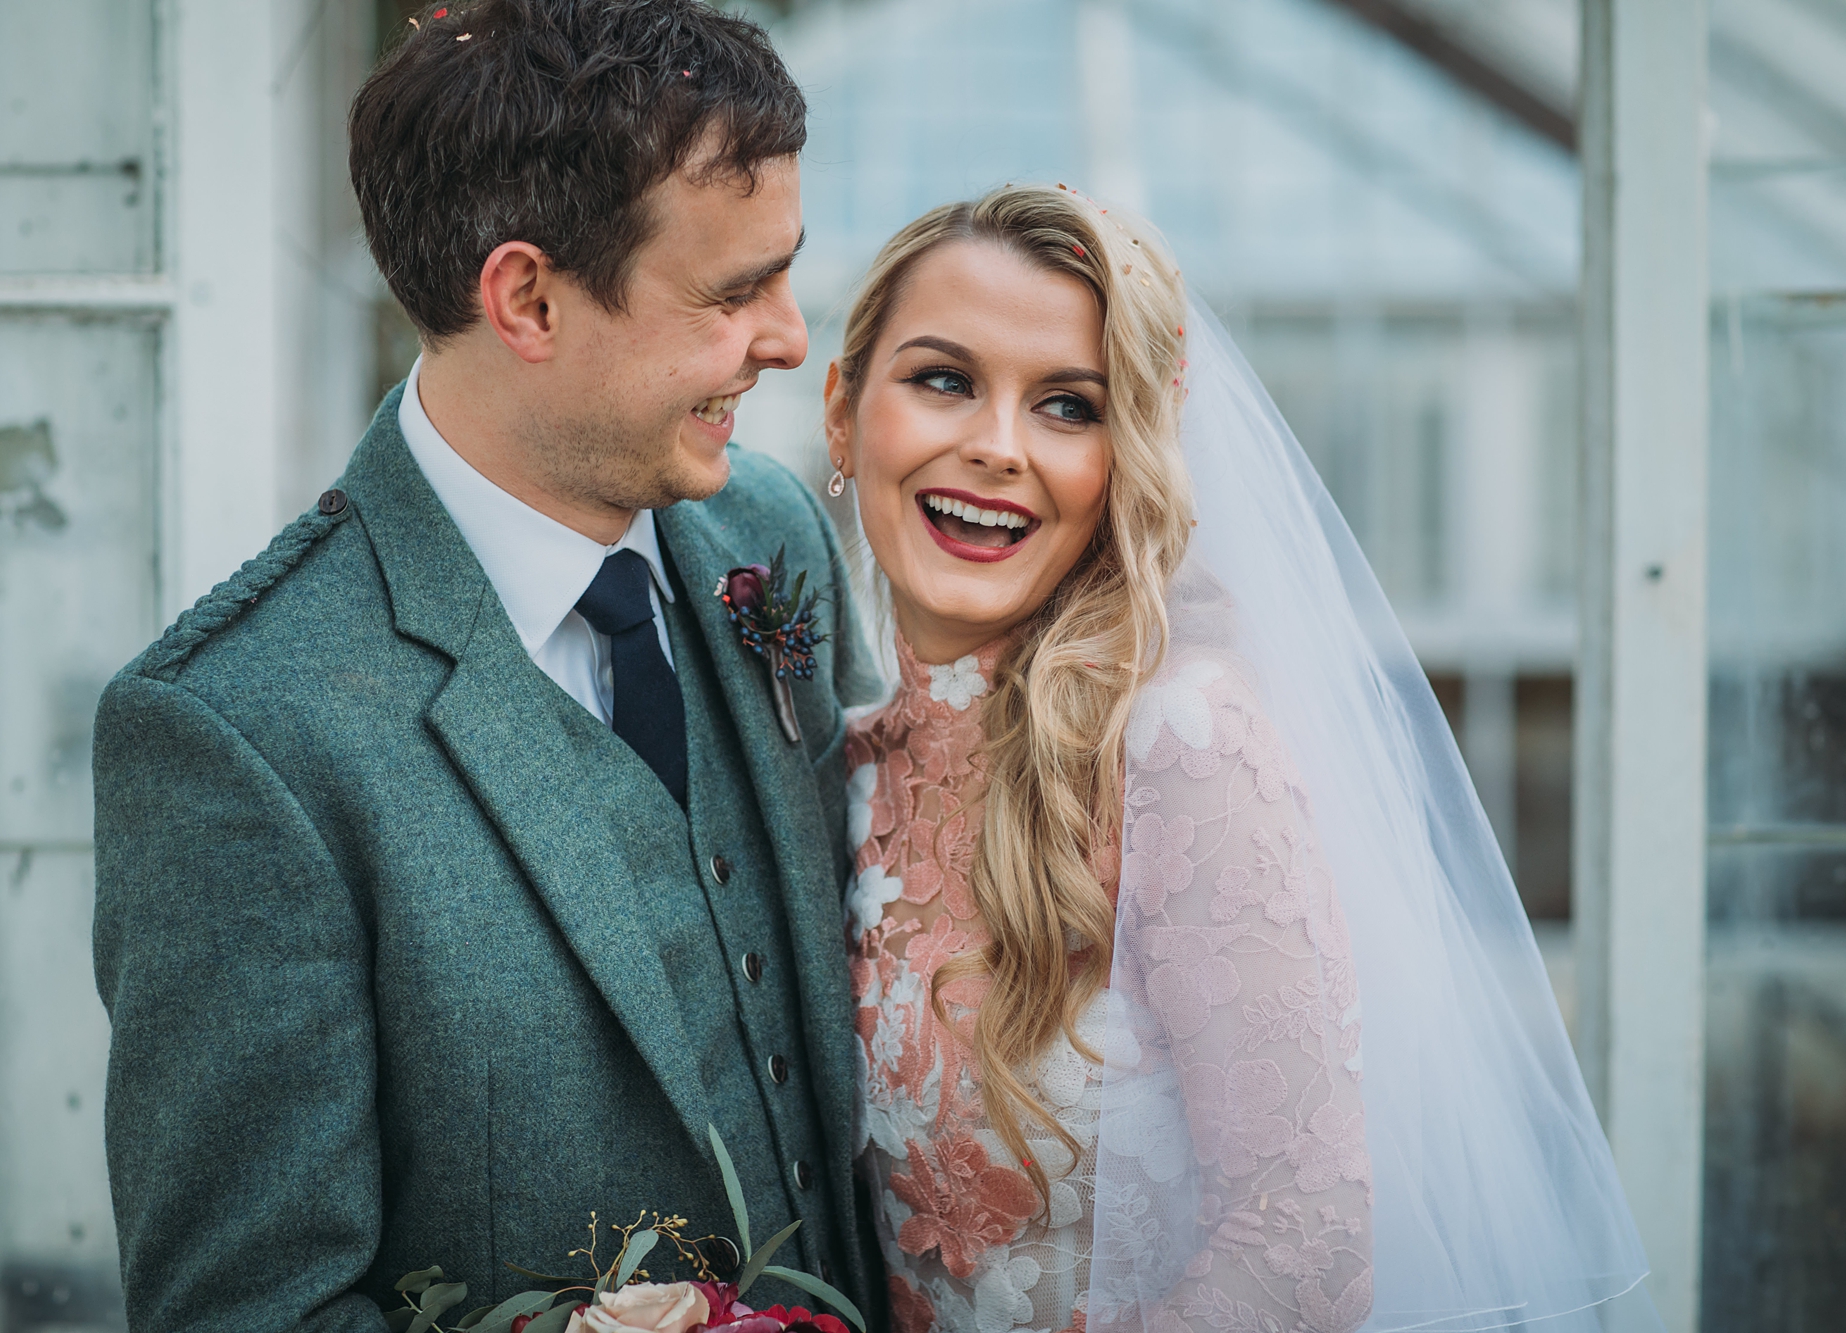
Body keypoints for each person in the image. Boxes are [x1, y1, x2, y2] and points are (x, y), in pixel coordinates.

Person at [91, 4, 885, 1329]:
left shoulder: (772, 532)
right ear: (526, 297)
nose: (792, 338)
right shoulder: (235, 733)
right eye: (735, 291)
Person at [823, 186, 1663, 1333]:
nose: (995, 446)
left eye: (1069, 405)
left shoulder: (1182, 748)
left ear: (1127, 460)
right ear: (840, 410)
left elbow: (1302, 1237)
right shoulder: (838, 773)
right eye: (943, 379)